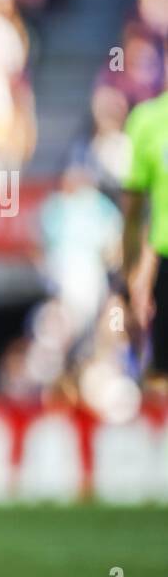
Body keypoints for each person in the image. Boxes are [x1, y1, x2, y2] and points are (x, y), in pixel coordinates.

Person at [120, 88, 168, 399]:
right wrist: (132, 274)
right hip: (165, 260)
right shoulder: (148, 120)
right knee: (160, 375)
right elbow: (135, 212)